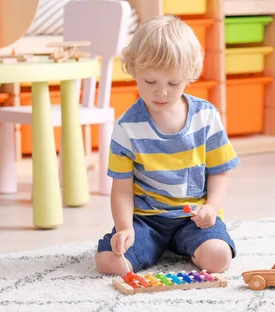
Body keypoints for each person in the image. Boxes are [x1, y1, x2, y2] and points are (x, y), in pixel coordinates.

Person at [95, 15, 240, 276]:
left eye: (173, 83)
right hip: (145, 221)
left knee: (219, 258)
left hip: (193, 218)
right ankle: (155, 247)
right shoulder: (127, 127)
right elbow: (122, 189)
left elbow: (219, 170)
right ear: (134, 71)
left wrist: (211, 207)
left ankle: (189, 246)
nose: (161, 93)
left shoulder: (206, 116)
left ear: (189, 75)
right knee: (109, 262)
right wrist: (125, 228)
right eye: (150, 82)